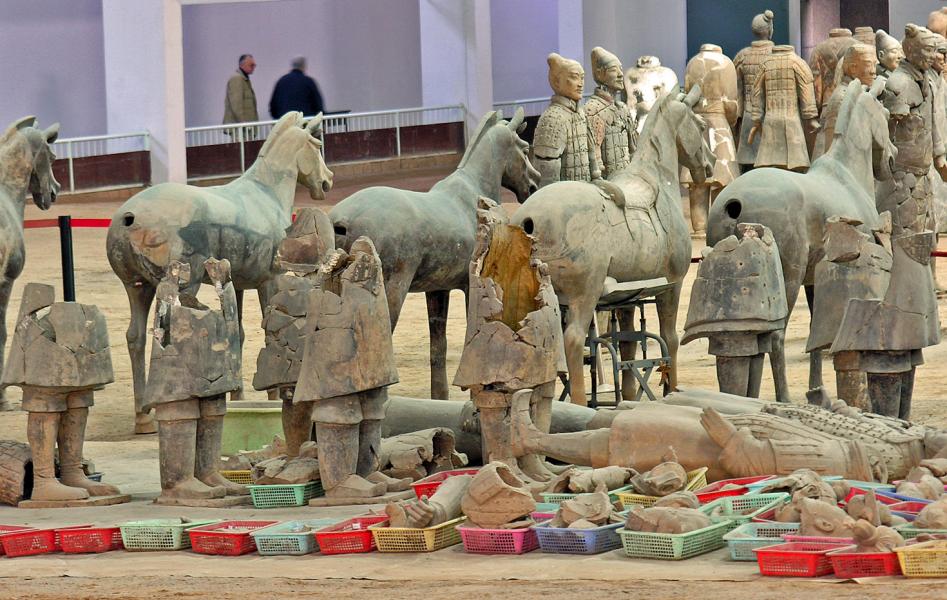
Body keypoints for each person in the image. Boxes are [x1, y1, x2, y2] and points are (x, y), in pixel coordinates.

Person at [223, 54, 259, 125]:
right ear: (242, 65)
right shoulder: (237, 79)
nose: (254, 67)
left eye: (254, 65)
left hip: (245, 127)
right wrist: (243, 124)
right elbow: (236, 105)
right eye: (251, 65)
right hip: (240, 128)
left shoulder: (244, 79)